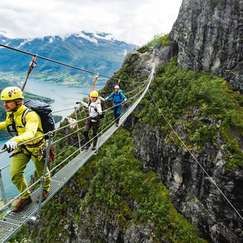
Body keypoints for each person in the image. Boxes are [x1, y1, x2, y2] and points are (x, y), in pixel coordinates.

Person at [0, 86, 51, 212]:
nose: (4, 104)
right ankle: (25, 196)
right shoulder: (11, 114)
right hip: (23, 146)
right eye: (4, 101)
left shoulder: (31, 115)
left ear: (18, 101)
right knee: (14, 174)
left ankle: (45, 188)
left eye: (7, 102)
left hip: (36, 147)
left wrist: (14, 140)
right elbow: (6, 124)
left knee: (42, 172)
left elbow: (31, 133)